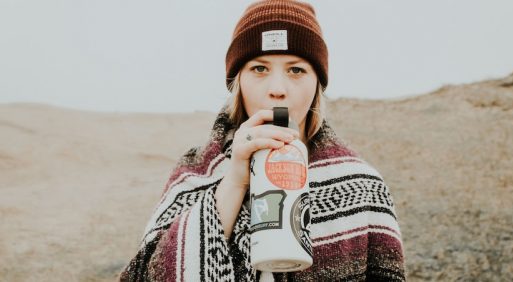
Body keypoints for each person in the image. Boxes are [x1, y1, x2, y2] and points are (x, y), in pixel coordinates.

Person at [119, 0, 405, 281]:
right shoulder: (195, 171)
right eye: (259, 68)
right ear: (238, 82)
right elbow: (147, 275)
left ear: (317, 83)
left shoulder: (361, 184)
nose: (277, 90)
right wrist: (234, 182)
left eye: (296, 70)